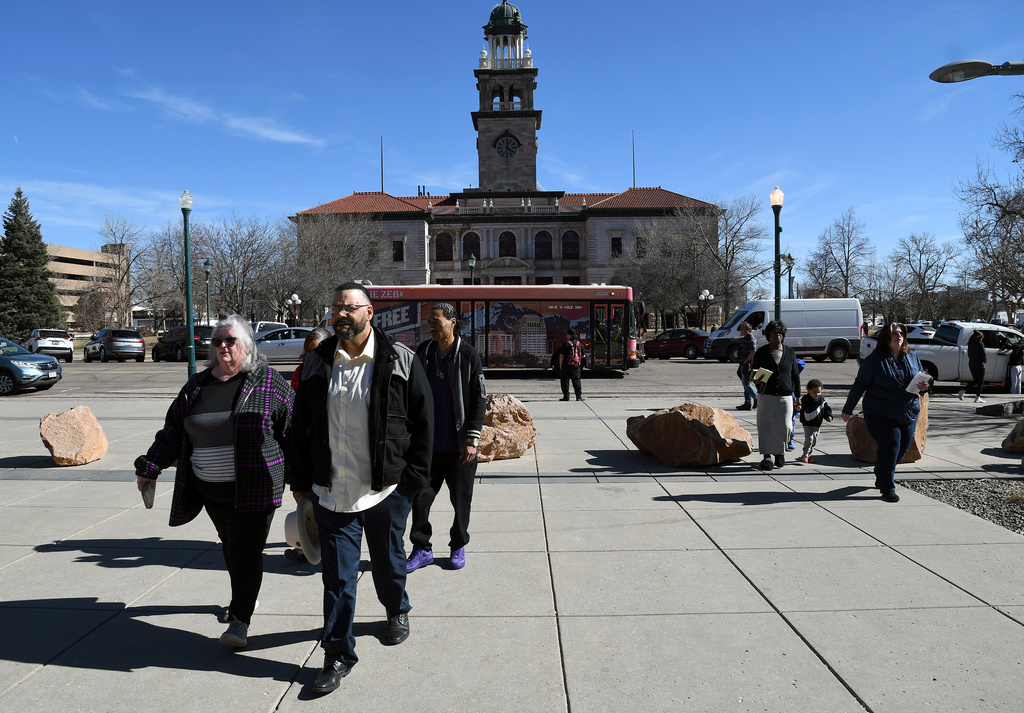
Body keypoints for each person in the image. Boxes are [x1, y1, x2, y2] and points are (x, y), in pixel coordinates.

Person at [290, 282, 432, 695]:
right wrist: (301, 483)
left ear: (370, 313)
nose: (340, 315)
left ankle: (396, 609)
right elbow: (299, 429)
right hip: (333, 492)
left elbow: (425, 423)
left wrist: (412, 483)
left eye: (349, 308)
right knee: (337, 579)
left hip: (387, 490)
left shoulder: (400, 359)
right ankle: (336, 654)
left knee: (388, 560)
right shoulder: (318, 361)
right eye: (335, 307)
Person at [134, 315, 293, 648]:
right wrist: (151, 466)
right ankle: (245, 597)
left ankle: (239, 620)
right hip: (210, 490)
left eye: (230, 340)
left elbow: (291, 432)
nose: (222, 346)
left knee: (246, 551)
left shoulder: (268, 381)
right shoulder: (197, 385)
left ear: (247, 345)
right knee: (231, 547)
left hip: (255, 486)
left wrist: (304, 481)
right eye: (217, 341)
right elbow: (173, 431)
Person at [407, 303, 486, 573]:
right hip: (428, 447)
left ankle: (458, 545)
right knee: (420, 498)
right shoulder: (424, 352)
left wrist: (472, 439)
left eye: (436, 321)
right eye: (429, 322)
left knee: (461, 501)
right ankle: (421, 548)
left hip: (460, 448)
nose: (431, 326)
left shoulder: (468, 355)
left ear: (453, 322)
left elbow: (479, 399)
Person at [841, 322, 929, 503]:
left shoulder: (912, 357)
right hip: (880, 413)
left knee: (902, 449)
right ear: (886, 338)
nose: (899, 336)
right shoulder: (874, 360)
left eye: (901, 333)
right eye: (894, 333)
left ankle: (881, 470)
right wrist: (847, 409)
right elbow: (859, 385)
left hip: (908, 411)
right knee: (891, 446)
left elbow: (923, 382)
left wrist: (925, 386)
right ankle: (888, 487)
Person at [284, 327, 332, 563]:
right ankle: (308, 543)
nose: (312, 356)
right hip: (304, 443)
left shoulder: (334, 370)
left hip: (325, 446)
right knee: (305, 498)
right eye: (308, 352)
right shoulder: (301, 372)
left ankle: (318, 545)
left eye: (316, 351)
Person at [750, 320, 800, 471]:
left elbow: (795, 376)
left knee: (785, 426)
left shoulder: (790, 352)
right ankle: (767, 456)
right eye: (774, 333)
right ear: (768, 335)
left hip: (785, 397)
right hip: (767, 396)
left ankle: (779, 452)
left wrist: (798, 398)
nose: (778, 336)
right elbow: (753, 373)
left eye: (780, 333)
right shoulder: (761, 352)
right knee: (765, 427)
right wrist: (756, 379)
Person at [797, 378, 833, 463]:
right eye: (814, 392)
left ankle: (809, 455)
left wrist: (828, 416)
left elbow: (826, 410)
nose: (817, 394)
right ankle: (804, 455)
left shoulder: (822, 401)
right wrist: (799, 408)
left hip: (816, 424)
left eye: (819, 392)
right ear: (808, 391)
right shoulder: (805, 400)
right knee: (809, 438)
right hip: (807, 423)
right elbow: (800, 407)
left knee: (814, 440)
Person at [735, 321, 758, 410]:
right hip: (742, 363)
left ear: (748, 330)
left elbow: (753, 352)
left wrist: (745, 362)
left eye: (742, 328)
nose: (741, 330)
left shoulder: (751, 339)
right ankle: (747, 403)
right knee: (745, 384)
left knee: (746, 383)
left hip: (747, 364)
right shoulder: (744, 338)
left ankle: (756, 398)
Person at [960, 330, 986, 403]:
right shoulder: (980, 344)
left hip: (971, 364)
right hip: (980, 364)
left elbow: (969, 355)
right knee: (980, 381)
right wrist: (985, 361)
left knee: (975, 380)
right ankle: (978, 397)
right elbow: (983, 355)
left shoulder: (970, 344)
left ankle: (963, 391)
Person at [559, 328, 584, 401]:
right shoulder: (580, 344)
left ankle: (566, 397)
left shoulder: (566, 344)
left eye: (567, 334)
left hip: (566, 365)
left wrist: (560, 365)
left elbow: (561, 356)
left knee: (565, 381)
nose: (566, 336)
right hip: (576, 366)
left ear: (570, 335)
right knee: (576, 380)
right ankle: (578, 397)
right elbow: (583, 356)